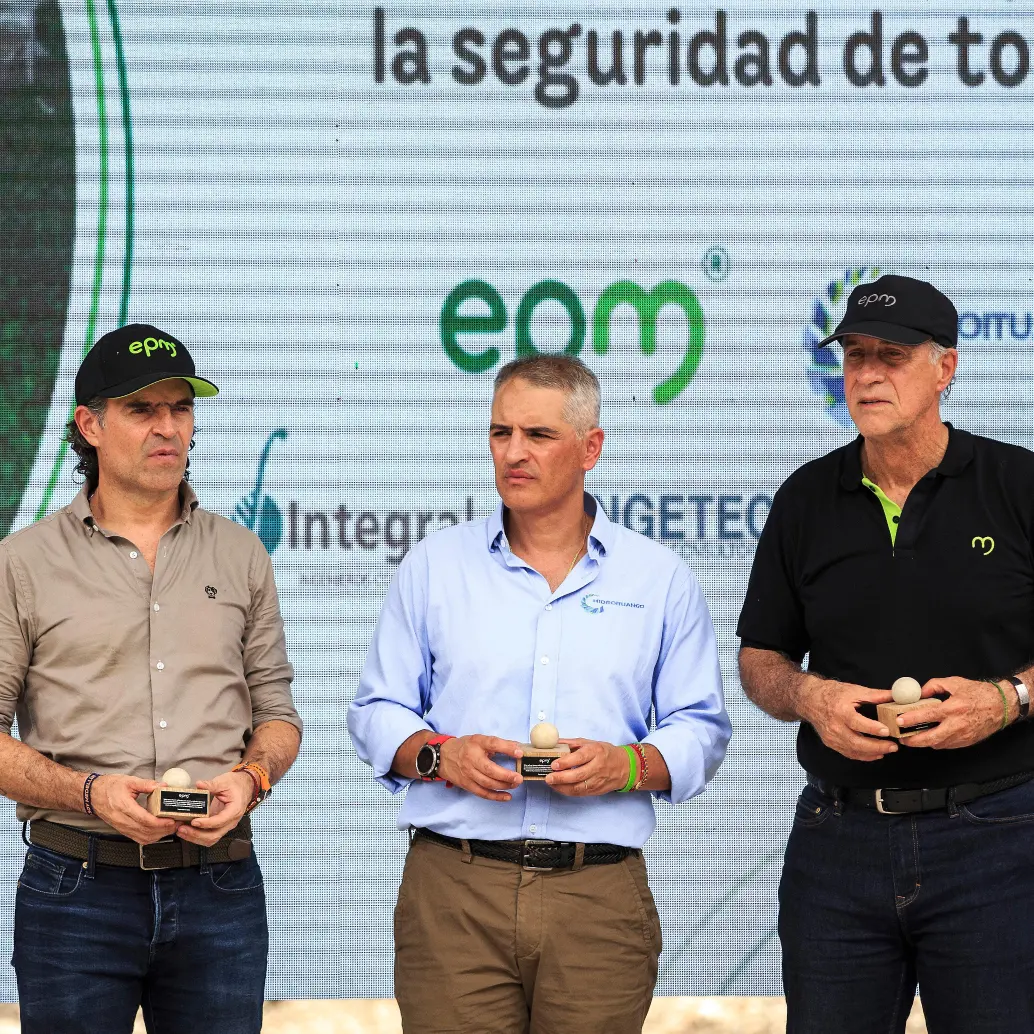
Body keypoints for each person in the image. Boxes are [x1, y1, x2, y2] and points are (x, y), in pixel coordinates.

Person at [349, 354, 730, 1034]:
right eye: (501, 433)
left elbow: (700, 726)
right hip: (455, 895)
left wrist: (628, 766)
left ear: (592, 448)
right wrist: (441, 756)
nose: (513, 453)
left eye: (538, 435)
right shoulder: (435, 566)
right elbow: (376, 711)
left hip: (598, 897)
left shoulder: (659, 577)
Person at [737, 275, 1034, 1033]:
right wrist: (809, 698)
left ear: (946, 367)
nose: (867, 373)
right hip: (837, 846)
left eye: (892, 355)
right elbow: (760, 660)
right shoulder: (806, 498)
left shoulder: (1017, 485)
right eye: (855, 354)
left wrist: (1005, 699)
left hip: (998, 842)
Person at [0, 324, 303, 1034]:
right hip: (75, 885)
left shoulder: (241, 555)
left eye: (180, 408)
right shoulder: (23, 562)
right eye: (142, 409)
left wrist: (252, 780)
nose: (168, 427)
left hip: (219, 882)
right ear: (90, 425)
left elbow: (279, 717)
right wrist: (89, 792)